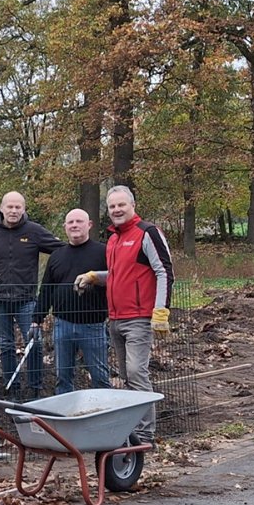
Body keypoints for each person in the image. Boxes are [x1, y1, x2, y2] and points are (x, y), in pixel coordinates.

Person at [75, 185, 174, 443]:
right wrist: (95, 277)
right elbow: (120, 276)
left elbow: (164, 271)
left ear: (133, 205)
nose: (117, 210)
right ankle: (134, 431)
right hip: (116, 318)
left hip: (139, 317)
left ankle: (145, 435)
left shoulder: (147, 233)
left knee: (136, 372)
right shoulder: (113, 240)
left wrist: (161, 311)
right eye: (112, 206)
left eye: (121, 205)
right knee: (127, 377)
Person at [0, 191, 63, 399]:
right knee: (6, 345)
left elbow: (61, 251)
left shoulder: (34, 231)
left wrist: (80, 255)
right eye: (10, 207)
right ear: (1, 208)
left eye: (17, 207)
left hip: (26, 299)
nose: (13, 211)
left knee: (34, 343)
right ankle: (13, 388)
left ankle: (35, 388)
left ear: (24, 209)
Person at [31, 209, 110, 395]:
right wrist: (36, 319)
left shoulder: (103, 252)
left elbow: (116, 280)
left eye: (79, 221)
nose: (74, 225)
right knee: (63, 377)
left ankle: (105, 409)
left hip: (93, 326)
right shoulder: (57, 255)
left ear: (89, 225)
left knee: (99, 376)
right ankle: (66, 411)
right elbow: (46, 289)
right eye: (71, 222)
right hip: (62, 325)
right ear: (65, 227)